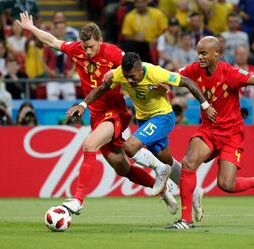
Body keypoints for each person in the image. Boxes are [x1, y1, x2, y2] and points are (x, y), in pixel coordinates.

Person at [16, 11, 179, 217]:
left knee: (89, 145)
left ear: (100, 41)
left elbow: (136, 67)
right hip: (96, 116)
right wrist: (31, 29)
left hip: (115, 113)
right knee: (123, 169)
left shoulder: (112, 53)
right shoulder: (77, 50)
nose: (88, 51)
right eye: (85, 47)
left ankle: (78, 200)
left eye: (91, 46)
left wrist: (158, 82)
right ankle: (164, 191)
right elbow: (53, 41)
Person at [167, 36, 254, 229]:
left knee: (226, 184)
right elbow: (173, 76)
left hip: (231, 134)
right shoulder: (194, 69)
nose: (199, 57)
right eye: (198, 52)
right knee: (188, 162)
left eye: (204, 53)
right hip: (208, 130)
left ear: (216, 54)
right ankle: (186, 220)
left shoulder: (230, 73)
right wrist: (159, 81)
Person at [68, 52, 216, 221]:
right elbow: (101, 89)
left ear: (140, 69)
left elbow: (188, 82)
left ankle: (160, 170)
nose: (129, 81)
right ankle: (194, 191)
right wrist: (83, 104)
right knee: (166, 158)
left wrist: (205, 106)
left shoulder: (155, 72)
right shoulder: (119, 74)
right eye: (126, 77)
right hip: (144, 119)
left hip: (163, 117)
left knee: (130, 147)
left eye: (132, 77)